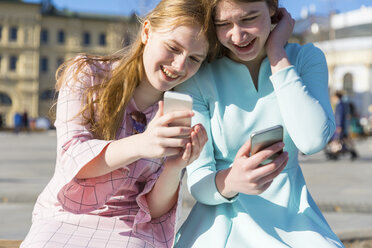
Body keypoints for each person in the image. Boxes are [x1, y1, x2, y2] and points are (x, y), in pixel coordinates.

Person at [20, 0, 217, 247]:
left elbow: (154, 211)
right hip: (65, 215)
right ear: (146, 32)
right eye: (173, 48)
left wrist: (175, 168)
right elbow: (72, 158)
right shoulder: (88, 74)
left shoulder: (180, 111)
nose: (179, 66)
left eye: (194, 59)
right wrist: (142, 144)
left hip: (132, 225)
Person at [174, 0, 344, 247]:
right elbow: (198, 179)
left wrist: (277, 52)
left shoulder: (306, 58)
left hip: (294, 220)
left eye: (249, 18)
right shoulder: (199, 76)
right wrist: (232, 181)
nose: (238, 35)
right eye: (223, 24)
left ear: (273, 10)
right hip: (221, 220)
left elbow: (312, 140)